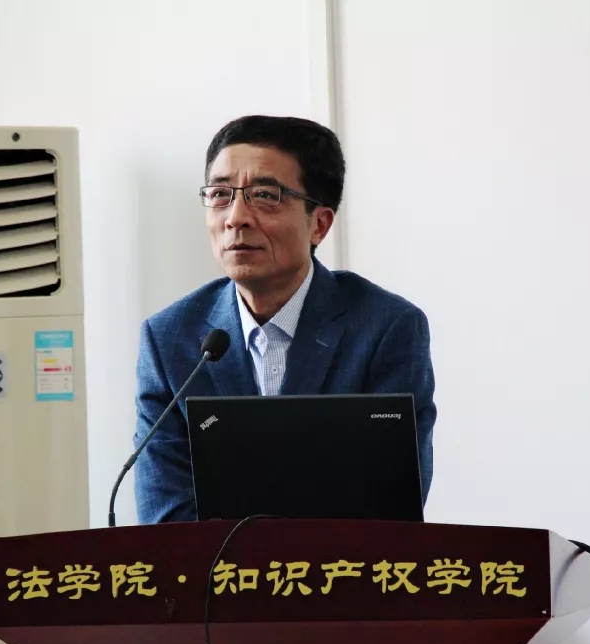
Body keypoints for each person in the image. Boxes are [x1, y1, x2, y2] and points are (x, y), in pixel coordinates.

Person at [132, 115, 436, 524]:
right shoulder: (170, 339)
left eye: (265, 195)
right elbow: (165, 517)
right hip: (212, 568)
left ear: (319, 224)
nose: (235, 217)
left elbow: (389, 508)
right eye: (220, 194)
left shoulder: (385, 328)